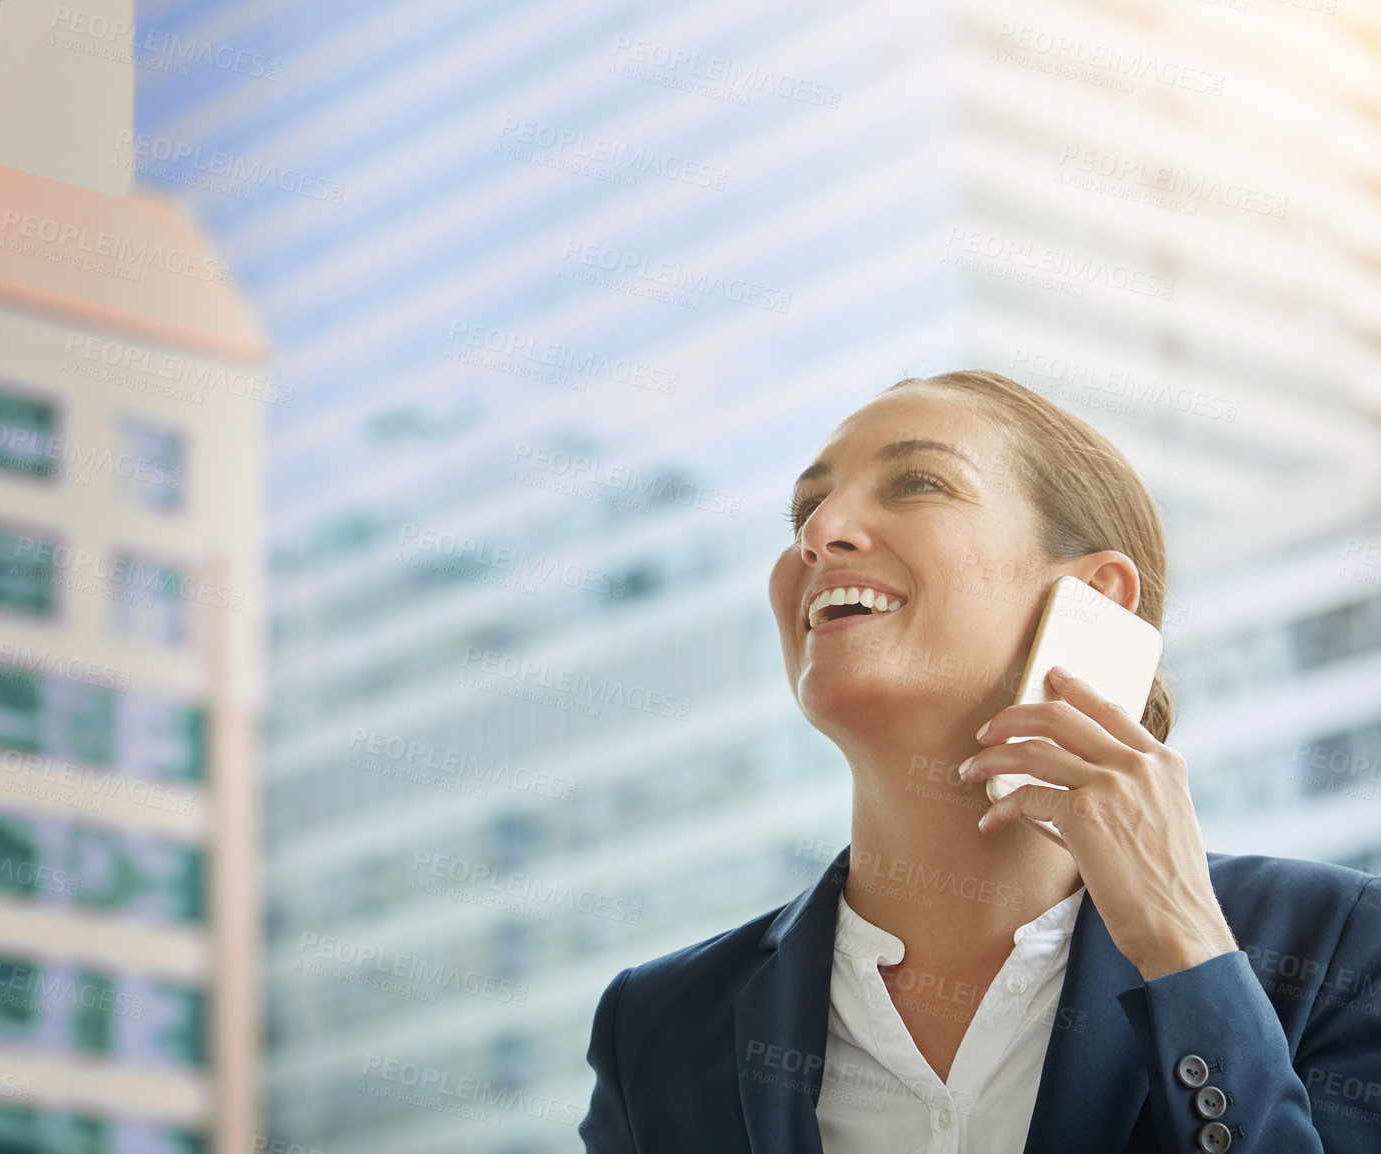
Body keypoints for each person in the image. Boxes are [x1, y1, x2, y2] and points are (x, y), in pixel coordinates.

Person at [577, 369, 1381, 1153]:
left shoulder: (1339, 951)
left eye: (918, 483)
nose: (819, 535)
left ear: (1095, 598)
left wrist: (1184, 952)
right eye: (805, 511)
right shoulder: (658, 1031)